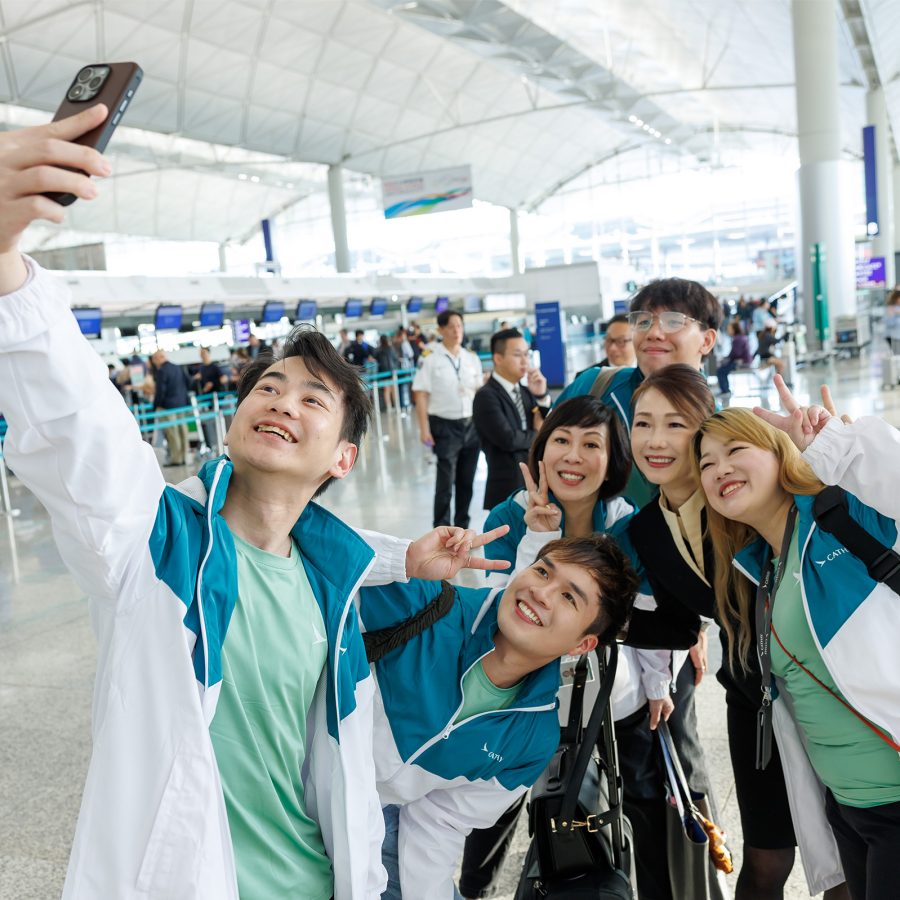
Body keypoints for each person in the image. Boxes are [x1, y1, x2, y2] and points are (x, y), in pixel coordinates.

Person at [0, 105, 509, 900]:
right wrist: (6, 261)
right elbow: (75, 423)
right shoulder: (157, 545)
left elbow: (343, 760)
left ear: (343, 457)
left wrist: (405, 558)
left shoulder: (326, 584)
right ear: (234, 422)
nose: (281, 400)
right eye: (269, 386)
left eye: (314, 398)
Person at [612, 364, 851, 900]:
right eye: (643, 423)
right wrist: (598, 623)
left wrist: (828, 448)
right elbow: (679, 624)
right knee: (767, 856)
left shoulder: (742, 492)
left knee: (842, 855)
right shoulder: (648, 528)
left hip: (820, 693)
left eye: (675, 425)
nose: (655, 440)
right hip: (752, 698)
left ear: (705, 428)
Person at [461, 396, 677, 900]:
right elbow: (501, 608)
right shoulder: (510, 515)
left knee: (608, 805)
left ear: (613, 460)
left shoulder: (628, 525)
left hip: (604, 700)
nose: (573, 456)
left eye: (591, 444)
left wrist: (658, 683)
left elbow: (647, 614)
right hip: (522, 699)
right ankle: (474, 891)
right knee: (490, 816)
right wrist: (538, 536)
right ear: (542, 450)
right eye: (561, 440)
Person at [695, 380, 899, 900]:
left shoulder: (842, 516)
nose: (719, 469)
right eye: (706, 462)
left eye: (736, 449)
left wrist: (834, 447)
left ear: (780, 452)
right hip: (848, 810)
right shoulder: (760, 569)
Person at [360, 534, 638, 899]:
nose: (542, 592)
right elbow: (299, 547)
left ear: (582, 644)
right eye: (542, 571)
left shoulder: (531, 742)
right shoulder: (424, 605)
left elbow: (439, 824)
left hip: (366, 827)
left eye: (569, 596)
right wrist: (404, 559)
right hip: (280, 784)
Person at [556, 277, 721, 508]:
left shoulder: (719, 424)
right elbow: (545, 462)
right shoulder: (595, 387)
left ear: (707, 340)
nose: (653, 332)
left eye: (672, 321)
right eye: (643, 321)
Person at [413, 310, 484, 528]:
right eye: (452, 326)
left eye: (460, 326)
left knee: (466, 481)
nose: (457, 331)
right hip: (444, 426)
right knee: (445, 483)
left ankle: (462, 526)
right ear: (441, 329)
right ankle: (442, 529)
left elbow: (480, 392)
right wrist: (424, 429)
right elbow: (421, 393)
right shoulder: (430, 358)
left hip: (471, 425)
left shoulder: (471, 358)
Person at [472, 328, 550, 510]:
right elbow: (508, 439)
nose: (525, 361)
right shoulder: (486, 396)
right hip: (506, 487)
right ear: (498, 358)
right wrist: (538, 433)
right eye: (517, 355)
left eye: (526, 354)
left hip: (533, 483)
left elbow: (550, 427)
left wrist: (541, 396)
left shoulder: (525, 391)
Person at [150, 347, 192, 466]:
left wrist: (156, 405)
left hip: (168, 406)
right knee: (183, 431)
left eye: (154, 359)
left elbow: (160, 391)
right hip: (182, 405)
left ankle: (176, 459)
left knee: (173, 433)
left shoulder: (161, 371)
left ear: (159, 358)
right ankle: (184, 457)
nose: (154, 362)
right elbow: (189, 383)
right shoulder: (177, 367)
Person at [194, 346, 226, 450]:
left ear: (209, 354)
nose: (203, 356)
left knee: (218, 421)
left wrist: (212, 384)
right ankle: (213, 444)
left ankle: (220, 442)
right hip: (207, 400)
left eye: (205, 353)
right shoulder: (202, 368)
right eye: (201, 354)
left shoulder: (215, 367)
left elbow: (223, 380)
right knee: (209, 423)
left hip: (217, 399)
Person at [716, 320, 753, 396]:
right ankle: (726, 389)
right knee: (723, 368)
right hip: (744, 361)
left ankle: (725, 391)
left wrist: (726, 359)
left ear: (734, 329)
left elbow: (736, 354)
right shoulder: (740, 337)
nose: (728, 331)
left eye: (729, 329)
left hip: (742, 363)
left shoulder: (737, 339)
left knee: (721, 370)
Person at [374, 333, 400, 410]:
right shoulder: (390, 348)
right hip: (392, 371)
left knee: (387, 390)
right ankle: (396, 405)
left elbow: (376, 359)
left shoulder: (379, 350)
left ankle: (389, 407)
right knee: (394, 390)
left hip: (383, 372)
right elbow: (395, 358)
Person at [883, 287, 900, 354]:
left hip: (897, 335)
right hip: (894, 337)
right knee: (897, 355)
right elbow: (889, 323)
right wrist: (895, 314)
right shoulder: (891, 308)